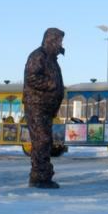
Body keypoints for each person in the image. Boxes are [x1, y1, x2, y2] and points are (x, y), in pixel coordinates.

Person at [23, 27, 66, 189]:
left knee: (45, 141)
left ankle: (42, 175)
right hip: (36, 105)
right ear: (51, 40)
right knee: (42, 140)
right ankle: (39, 178)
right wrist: (52, 85)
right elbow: (31, 77)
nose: (61, 44)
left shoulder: (51, 58)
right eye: (59, 40)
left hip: (47, 107)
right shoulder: (38, 56)